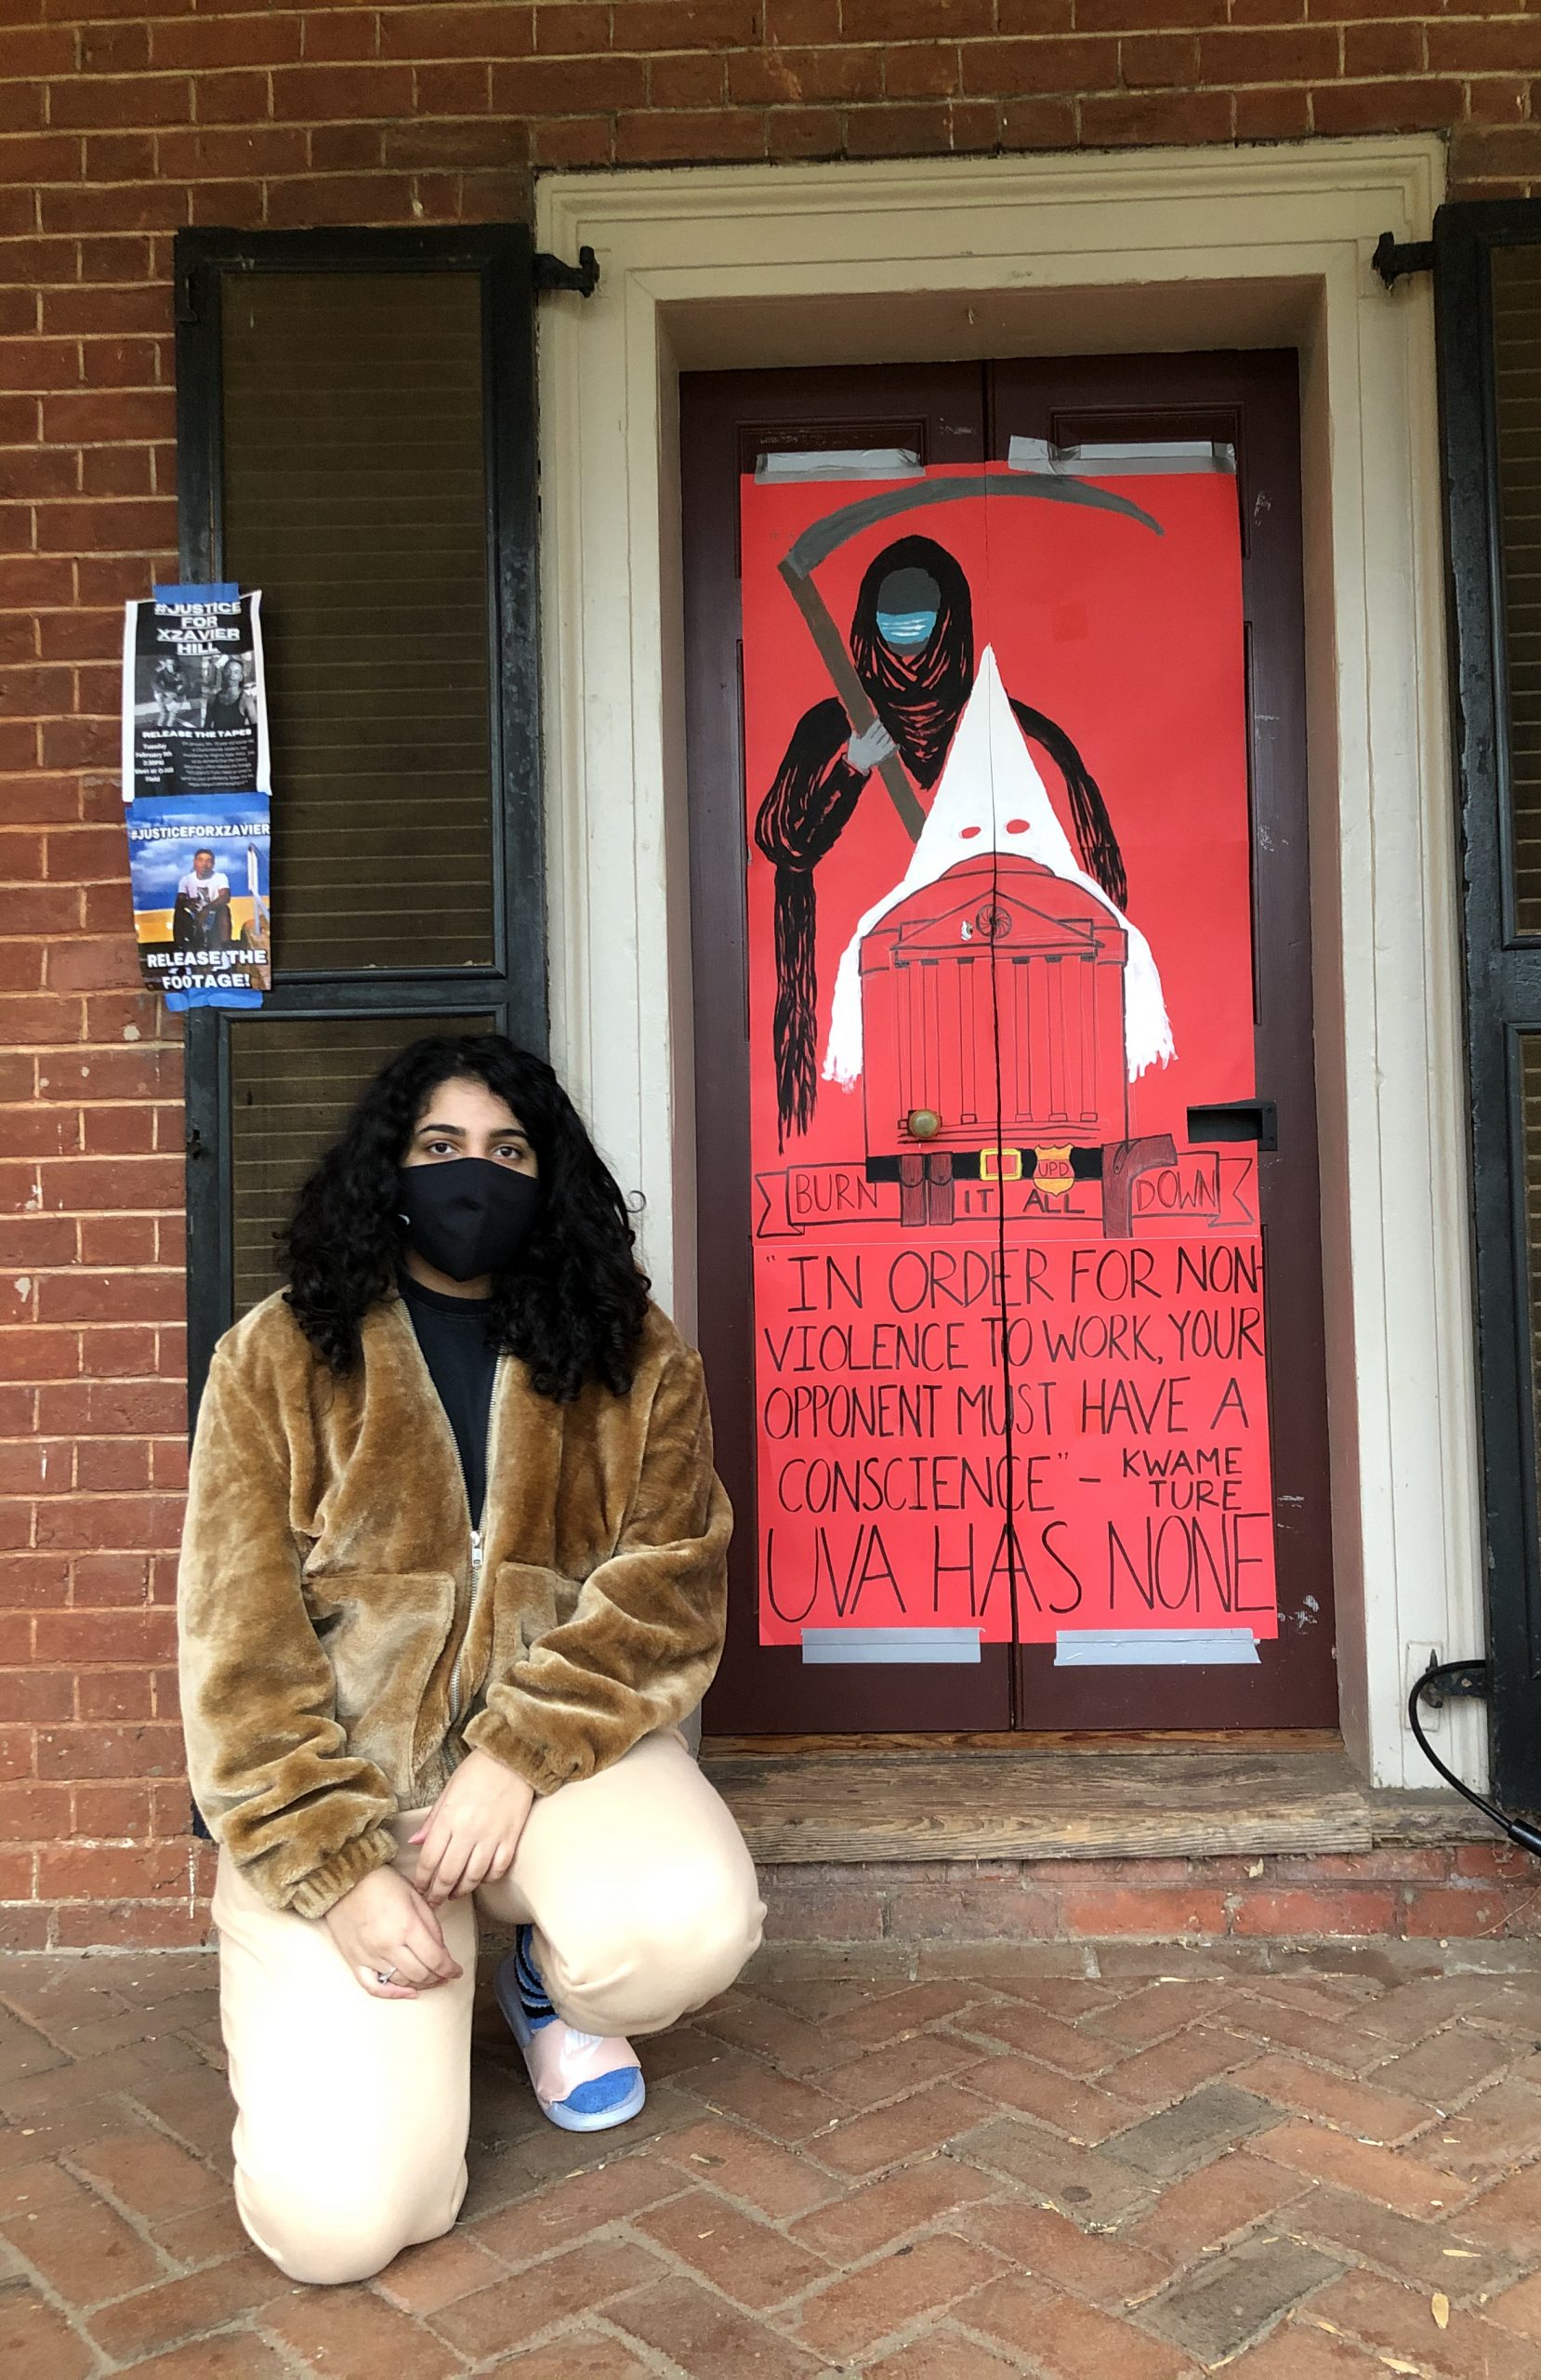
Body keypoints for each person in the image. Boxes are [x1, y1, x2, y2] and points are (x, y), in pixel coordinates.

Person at [178, 1033, 762, 2286]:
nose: (473, 1177)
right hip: (352, 1796)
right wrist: (336, 1872)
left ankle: (546, 1981)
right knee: (341, 2229)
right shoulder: (275, 1361)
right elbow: (240, 1655)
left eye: (509, 1152)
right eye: (440, 1149)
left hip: (555, 1768)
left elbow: (670, 1583)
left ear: (548, 1180)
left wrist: (518, 1754)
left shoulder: (630, 1354)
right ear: (386, 1168)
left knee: (684, 1924)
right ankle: (415, 2022)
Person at [755, 534, 1127, 1140]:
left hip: (1003, 985)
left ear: (948, 622)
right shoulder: (833, 725)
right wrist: (849, 767)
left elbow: (1098, 878)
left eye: (919, 621)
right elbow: (781, 841)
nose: (906, 640)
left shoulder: (1015, 731)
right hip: (854, 994)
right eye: (892, 622)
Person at [172, 848, 232, 950]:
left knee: (224, 909)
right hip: (193, 917)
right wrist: (186, 903)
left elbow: (225, 897)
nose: (204, 864)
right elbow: (179, 901)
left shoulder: (220, 877)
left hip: (213, 915)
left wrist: (207, 909)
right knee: (179, 912)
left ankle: (226, 946)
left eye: (208, 861)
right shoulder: (186, 880)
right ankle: (179, 947)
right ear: (194, 862)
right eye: (200, 860)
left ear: (213, 864)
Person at [205, 655, 254, 733]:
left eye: (236, 672)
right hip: (218, 743)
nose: (231, 675)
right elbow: (206, 728)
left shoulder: (246, 700)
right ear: (223, 673)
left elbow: (256, 729)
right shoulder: (213, 699)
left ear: (241, 677)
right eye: (228, 671)